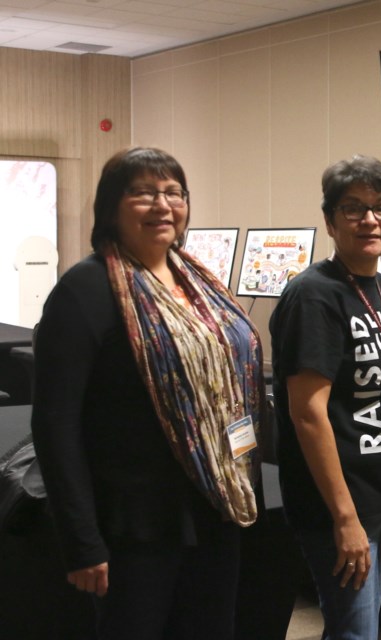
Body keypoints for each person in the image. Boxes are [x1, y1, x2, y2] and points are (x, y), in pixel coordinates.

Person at [31, 147, 265, 639]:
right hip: (133, 526)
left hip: (214, 506)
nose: (162, 205)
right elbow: (56, 424)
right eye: (143, 192)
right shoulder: (85, 290)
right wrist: (81, 542)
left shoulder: (199, 281)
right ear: (111, 207)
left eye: (173, 192)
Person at [270, 155, 381, 639]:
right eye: (353, 209)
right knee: (355, 633)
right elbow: (307, 415)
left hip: (378, 492)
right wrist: (345, 518)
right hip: (338, 502)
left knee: (360, 629)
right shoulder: (314, 296)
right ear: (330, 221)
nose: (369, 219)